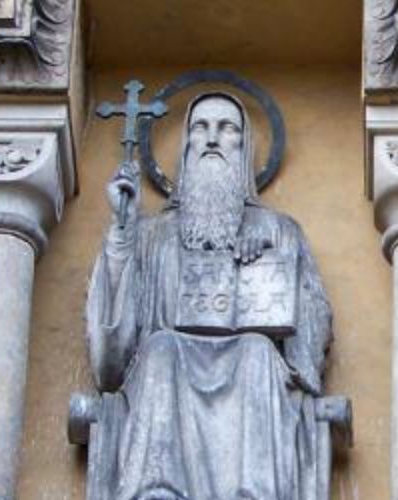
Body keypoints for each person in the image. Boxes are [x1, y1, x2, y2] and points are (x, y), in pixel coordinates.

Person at [85, 92, 332, 500]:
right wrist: (122, 233)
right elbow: (115, 350)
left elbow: (312, 324)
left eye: (227, 128)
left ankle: (253, 491)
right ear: (187, 146)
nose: (213, 138)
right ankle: (157, 488)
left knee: (256, 352)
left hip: (252, 365)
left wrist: (271, 263)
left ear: (245, 146)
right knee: (161, 348)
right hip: (167, 364)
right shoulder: (150, 235)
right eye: (201, 128)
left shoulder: (278, 230)